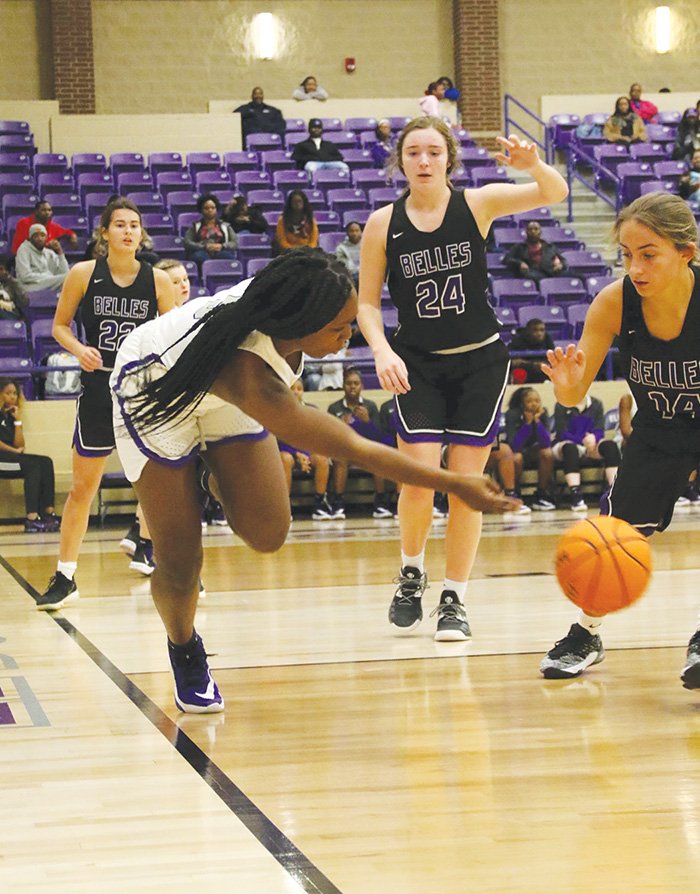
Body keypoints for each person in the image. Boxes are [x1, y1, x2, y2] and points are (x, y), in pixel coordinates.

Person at [107, 248, 518, 713]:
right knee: (181, 560)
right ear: (300, 324)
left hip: (222, 401)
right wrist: (456, 483)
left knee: (267, 533)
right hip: (155, 395)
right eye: (339, 328)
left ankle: (208, 475)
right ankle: (184, 648)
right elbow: (352, 448)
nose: (349, 336)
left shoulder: (285, 312)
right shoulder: (249, 373)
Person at [357, 117, 568, 641]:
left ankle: (454, 598)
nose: (423, 161)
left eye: (433, 152)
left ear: (448, 158)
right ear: (400, 161)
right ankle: (411, 572)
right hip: (418, 364)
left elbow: (555, 191)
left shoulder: (477, 203)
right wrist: (382, 350)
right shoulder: (384, 223)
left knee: (467, 487)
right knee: (419, 478)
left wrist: (533, 164)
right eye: (413, 153)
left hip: (479, 362)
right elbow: (365, 302)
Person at [539, 192, 700, 688]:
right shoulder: (614, 302)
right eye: (627, 255)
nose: (636, 267)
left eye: (649, 254)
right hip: (655, 434)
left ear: (685, 252)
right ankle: (587, 635)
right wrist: (566, 384)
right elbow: (573, 396)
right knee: (611, 538)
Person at [34, 198, 175, 611]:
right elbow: (59, 326)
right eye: (120, 224)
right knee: (82, 488)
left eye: (135, 225)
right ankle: (65, 576)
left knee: (160, 488)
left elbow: (176, 336)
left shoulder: (159, 281)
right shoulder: (83, 274)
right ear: (104, 233)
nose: (129, 231)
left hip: (142, 393)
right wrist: (79, 349)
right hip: (98, 387)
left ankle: (175, 567)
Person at [327, 367, 393, 519]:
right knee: (340, 460)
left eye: (356, 383)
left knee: (377, 457)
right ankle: (338, 502)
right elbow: (329, 437)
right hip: (344, 450)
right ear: (343, 385)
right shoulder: (334, 408)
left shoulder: (370, 407)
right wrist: (339, 425)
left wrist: (367, 422)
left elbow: (379, 436)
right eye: (349, 383)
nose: (352, 386)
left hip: (365, 449)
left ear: (361, 386)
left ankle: (380, 502)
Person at [0, 377, 60, 532]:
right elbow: (14, 448)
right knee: (32, 466)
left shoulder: (11, 414)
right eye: (8, 393)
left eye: (14, 393)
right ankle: (32, 517)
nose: (12, 397)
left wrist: (18, 421)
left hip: (10, 458)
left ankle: (48, 513)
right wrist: (14, 451)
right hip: (2, 459)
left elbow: (20, 445)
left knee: (45, 462)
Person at [551, 392, 620, 511]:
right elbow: (562, 432)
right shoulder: (561, 405)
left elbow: (599, 428)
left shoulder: (596, 403)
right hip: (568, 442)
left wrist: (594, 437)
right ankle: (576, 495)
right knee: (570, 449)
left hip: (590, 444)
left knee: (610, 446)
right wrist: (582, 440)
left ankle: (614, 490)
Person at [278, 379, 334, 520]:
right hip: (286, 451)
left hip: (307, 451)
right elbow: (276, 438)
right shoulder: (276, 409)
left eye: (299, 388)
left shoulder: (312, 409)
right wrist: (297, 453)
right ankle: (284, 506)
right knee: (285, 459)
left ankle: (320, 502)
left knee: (322, 459)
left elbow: (318, 437)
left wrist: (306, 454)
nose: (296, 392)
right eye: (292, 388)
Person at [504, 386, 556, 510]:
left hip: (533, 451)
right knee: (517, 458)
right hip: (517, 451)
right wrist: (527, 423)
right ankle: (515, 493)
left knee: (547, 453)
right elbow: (514, 445)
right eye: (529, 401)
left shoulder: (543, 413)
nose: (534, 404)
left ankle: (541, 494)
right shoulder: (512, 414)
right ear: (522, 404)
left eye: (537, 401)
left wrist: (537, 421)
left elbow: (546, 442)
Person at [504, 220, 568, 282]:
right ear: (526, 232)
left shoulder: (550, 246)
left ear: (540, 232)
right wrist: (520, 263)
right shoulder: (519, 247)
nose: (533, 231)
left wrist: (561, 265)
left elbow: (563, 260)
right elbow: (507, 259)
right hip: (532, 273)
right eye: (530, 229)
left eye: (536, 229)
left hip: (551, 272)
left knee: (575, 276)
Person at [183, 194, 237, 267]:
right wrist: (204, 246)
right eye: (206, 208)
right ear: (201, 210)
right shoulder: (195, 226)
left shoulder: (225, 226)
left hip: (220, 251)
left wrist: (222, 246)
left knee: (227, 257)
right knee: (199, 257)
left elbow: (234, 242)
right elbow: (187, 242)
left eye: (213, 208)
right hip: (202, 251)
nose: (210, 210)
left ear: (216, 209)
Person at [11, 200, 78, 256]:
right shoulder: (24, 223)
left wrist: (73, 236)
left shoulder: (53, 227)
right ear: (36, 212)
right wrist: (47, 245)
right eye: (43, 210)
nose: (47, 213)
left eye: (49, 210)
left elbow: (67, 232)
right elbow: (19, 248)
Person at [15, 224, 70, 293]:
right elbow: (25, 276)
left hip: (47, 283)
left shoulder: (49, 253)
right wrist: (50, 278)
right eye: (36, 236)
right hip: (29, 286)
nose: (40, 238)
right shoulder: (23, 250)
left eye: (42, 235)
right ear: (30, 238)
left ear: (46, 238)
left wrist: (60, 253)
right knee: (68, 279)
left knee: (70, 278)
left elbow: (65, 272)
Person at [509, 317, 557, 383]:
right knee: (519, 373)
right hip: (526, 370)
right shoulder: (518, 340)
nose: (539, 333)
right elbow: (513, 361)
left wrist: (543, 364)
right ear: (528, 331)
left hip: (542, 370)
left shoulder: (547, 338)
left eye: (542, 330)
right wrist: (533, 364)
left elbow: (552, 357)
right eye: (535, 330)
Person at [274, 189, 319, 253]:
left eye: (299, 201)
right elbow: (282, 242)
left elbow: (313, 241)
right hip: (288, 254)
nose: (297, 204)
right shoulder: (282, 220)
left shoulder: (310, 220)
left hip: (307, 253)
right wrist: (294, 250)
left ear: (304, 203)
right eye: (294, 202)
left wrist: (306, 250)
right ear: (290, 204)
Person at [0, 255, 29, 320]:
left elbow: (24, 303)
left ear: (7, 271)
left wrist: (14, 285)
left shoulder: (14, 283)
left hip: (12, 316)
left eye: (1, 269)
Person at [335, 220, 362, 286]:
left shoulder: (367, 246)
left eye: (357, 230)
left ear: (361, 232)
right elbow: (343, 267)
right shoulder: (341, 248)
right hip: (350, 278)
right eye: (351, 231)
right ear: (347, 233)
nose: (354, 234)